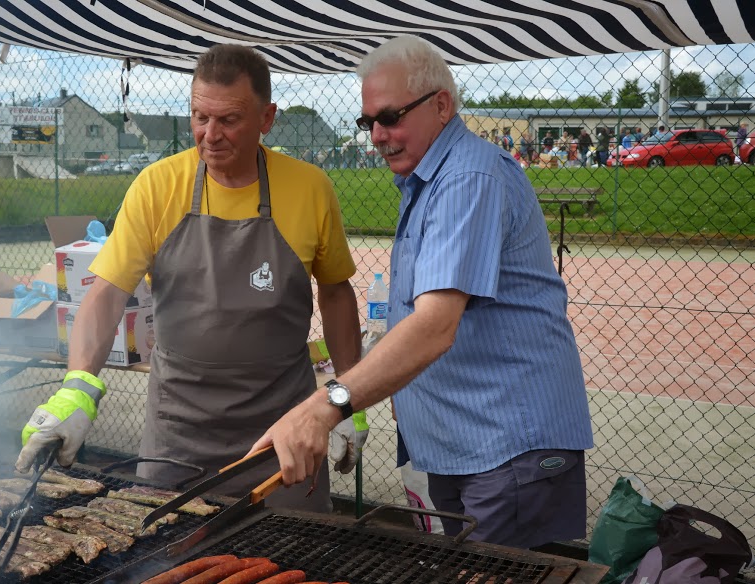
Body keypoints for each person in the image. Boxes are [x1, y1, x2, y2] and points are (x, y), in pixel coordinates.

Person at [249, 35, 594, 550]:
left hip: (507, 449)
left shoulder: (468, 178)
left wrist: (328, 405)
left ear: (441, 105)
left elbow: (434, 326)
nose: (378, 136)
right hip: (463, 447)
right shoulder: (429, 180)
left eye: (390, 117)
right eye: (368, 123)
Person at [16, 44, 364, 512]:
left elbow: (337, 293)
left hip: (286, 427)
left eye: (229, 120)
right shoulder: (157, 186)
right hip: (177, 434)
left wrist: (347, 396)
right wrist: (77, 387)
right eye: (200, 117)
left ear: (267, 118)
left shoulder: (309, 188)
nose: (210, 135)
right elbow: (107, 292)